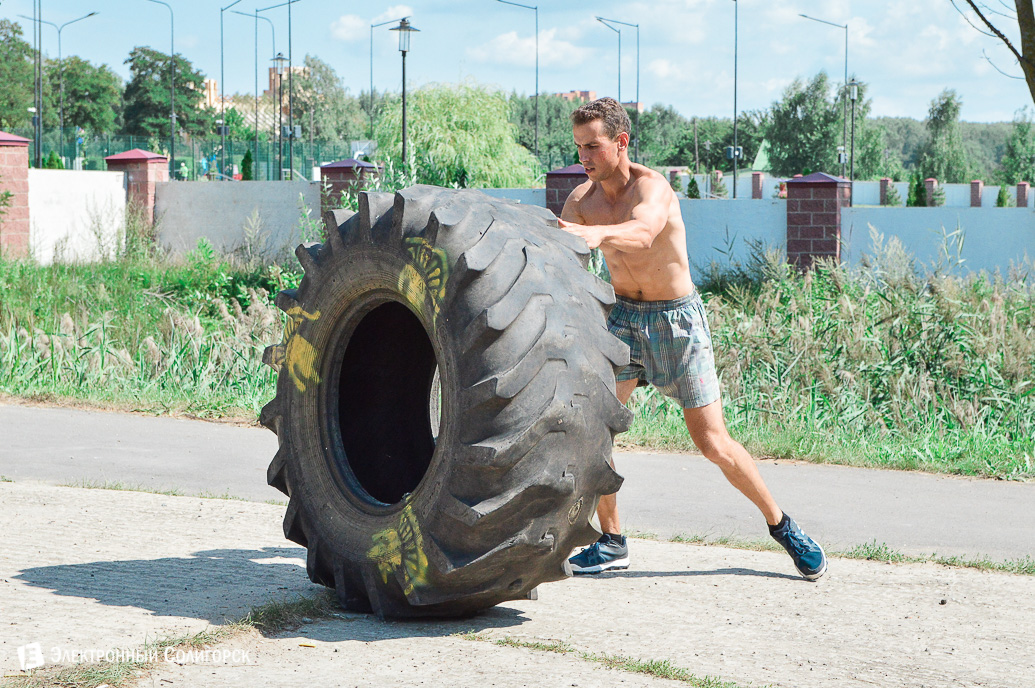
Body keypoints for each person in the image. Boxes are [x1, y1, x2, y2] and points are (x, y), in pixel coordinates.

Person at [558, 97, 827, 581]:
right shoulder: (581, 202)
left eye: (593, 146)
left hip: (676, 322)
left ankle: (782, 526)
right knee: (595, 430)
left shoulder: (653, 188)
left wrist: (598, 238)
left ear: (620, 143)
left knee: (712, 442)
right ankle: (612, 540)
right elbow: (563, 255)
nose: (585, 157)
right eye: (579, 147)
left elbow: (642, 234)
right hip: (620, 318)